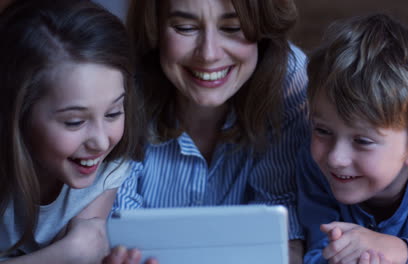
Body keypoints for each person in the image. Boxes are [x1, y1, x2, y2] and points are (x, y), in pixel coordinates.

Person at [107, 0, 309, 263]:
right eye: (185, 27)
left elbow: (283, 238)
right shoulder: (119, 81)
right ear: (155, 27)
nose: (209, 54)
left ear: (263, 30)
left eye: (232, 27)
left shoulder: (288, 77)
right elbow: (119, 233)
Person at [297, 13, 408, 264]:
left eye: (362, 141)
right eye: (323, 130)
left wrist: (402, 252)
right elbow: (315, 251)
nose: (335, 157)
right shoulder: (313, 162)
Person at [0, 0, 144, 263]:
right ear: (17, 115)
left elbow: (90, 248)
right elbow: (80, 252)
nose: (101, 142)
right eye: (75, 122)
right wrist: (69, 253)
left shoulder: (107, 170)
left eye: (113, 113)